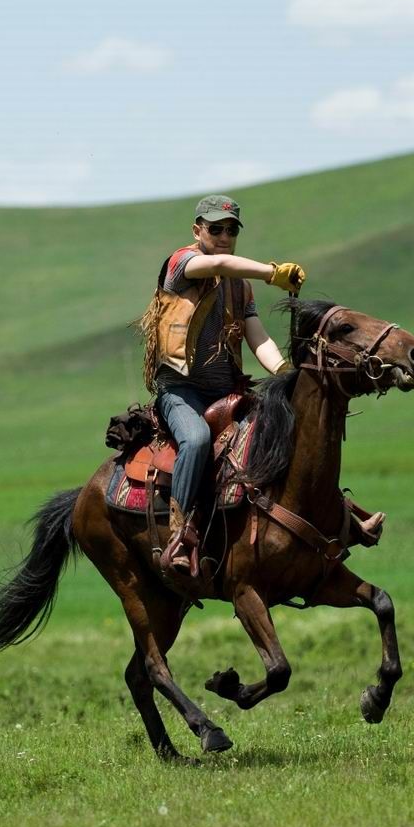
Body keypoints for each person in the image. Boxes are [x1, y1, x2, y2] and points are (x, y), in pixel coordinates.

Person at [138, 195, 306, 584]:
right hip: (180, 391)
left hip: (226, 392)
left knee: (286, 427)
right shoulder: (182, 265)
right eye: (215, 228)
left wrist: (285, 373)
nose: (224, 235)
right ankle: (181, 534)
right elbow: (217, 263)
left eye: (231, 229)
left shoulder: (240, 288)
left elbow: (257, 337)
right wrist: (272, 272)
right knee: (196, 439)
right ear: (197, 230)